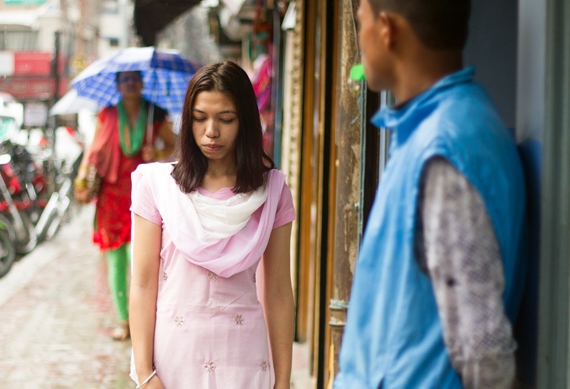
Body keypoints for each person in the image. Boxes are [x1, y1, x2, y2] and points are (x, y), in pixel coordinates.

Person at [334, 1, 526, 388]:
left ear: (386, 29)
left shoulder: (444, 148)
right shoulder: (438, 131)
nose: (360, 36)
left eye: (360, 22)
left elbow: (483, 352)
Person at [128, 61, 296, 388]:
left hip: (246, 359)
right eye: (200, 118)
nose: (211, 132)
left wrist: (284, 381)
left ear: (246, 121)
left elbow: (278, 291)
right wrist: (145, 372)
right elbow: (143, 284)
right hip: (174, 359)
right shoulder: (158, 186)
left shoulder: (272, 192)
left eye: (226, 119)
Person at [74, 70, 176, 341]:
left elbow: (173, 144)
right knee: (116, 258)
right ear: (118, 85)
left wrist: (159, 153)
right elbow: (93, 150)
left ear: (142, 83)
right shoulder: (106, 115)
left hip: (143, 193)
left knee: (141, 258)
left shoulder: (155, 113)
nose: (130, 83)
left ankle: (145, 318)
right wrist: (82, 177)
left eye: (135, 78)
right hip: (111, 194)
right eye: (125, 79)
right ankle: (124, 319)